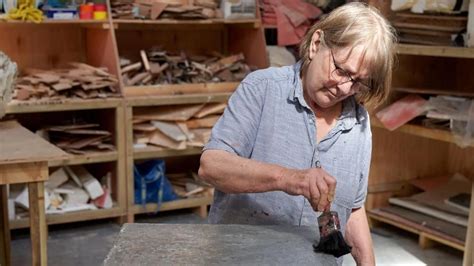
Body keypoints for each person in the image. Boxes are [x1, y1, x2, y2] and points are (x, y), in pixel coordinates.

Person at [198, 2, 396, 265]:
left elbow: (354, 207)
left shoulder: (358, 121)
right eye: (341, 70)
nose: (345, 87)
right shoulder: (263, 89)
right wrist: (290, 178)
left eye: (358, 81)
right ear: (316, 44)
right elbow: (211, 166)